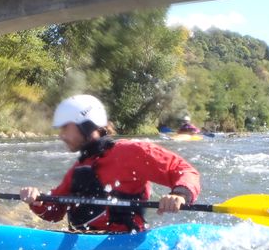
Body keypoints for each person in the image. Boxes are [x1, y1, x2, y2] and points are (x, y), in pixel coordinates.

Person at [20, 95, 201, 233]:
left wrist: (179, 195)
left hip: (126, 243)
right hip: (85, 241)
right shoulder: (79, 169)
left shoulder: (131, 151)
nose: (61, 135)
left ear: (87, 125)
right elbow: (54, 213)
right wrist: (36, 200)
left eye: (66, 127)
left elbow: (184, 170)